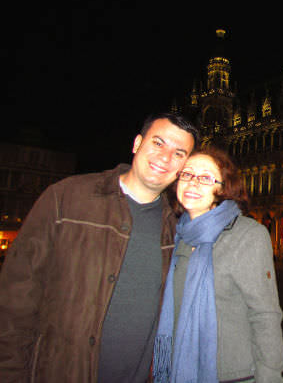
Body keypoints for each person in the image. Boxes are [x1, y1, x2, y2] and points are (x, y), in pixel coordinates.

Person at [0, 112, 198, 383]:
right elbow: (13, 305)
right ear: (137, 143)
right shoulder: (66, 197)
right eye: (158, 143)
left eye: (179, 153)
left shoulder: (178, 228)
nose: (165, 158)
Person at [153, 146, 283, 383]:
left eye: (205, 177)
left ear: (223, 188)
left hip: (233, 375)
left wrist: (270, 377)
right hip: (178, 369)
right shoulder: (173, 235)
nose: (193, 182)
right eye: (187, 174)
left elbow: (265, 315)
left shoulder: (247, 234)